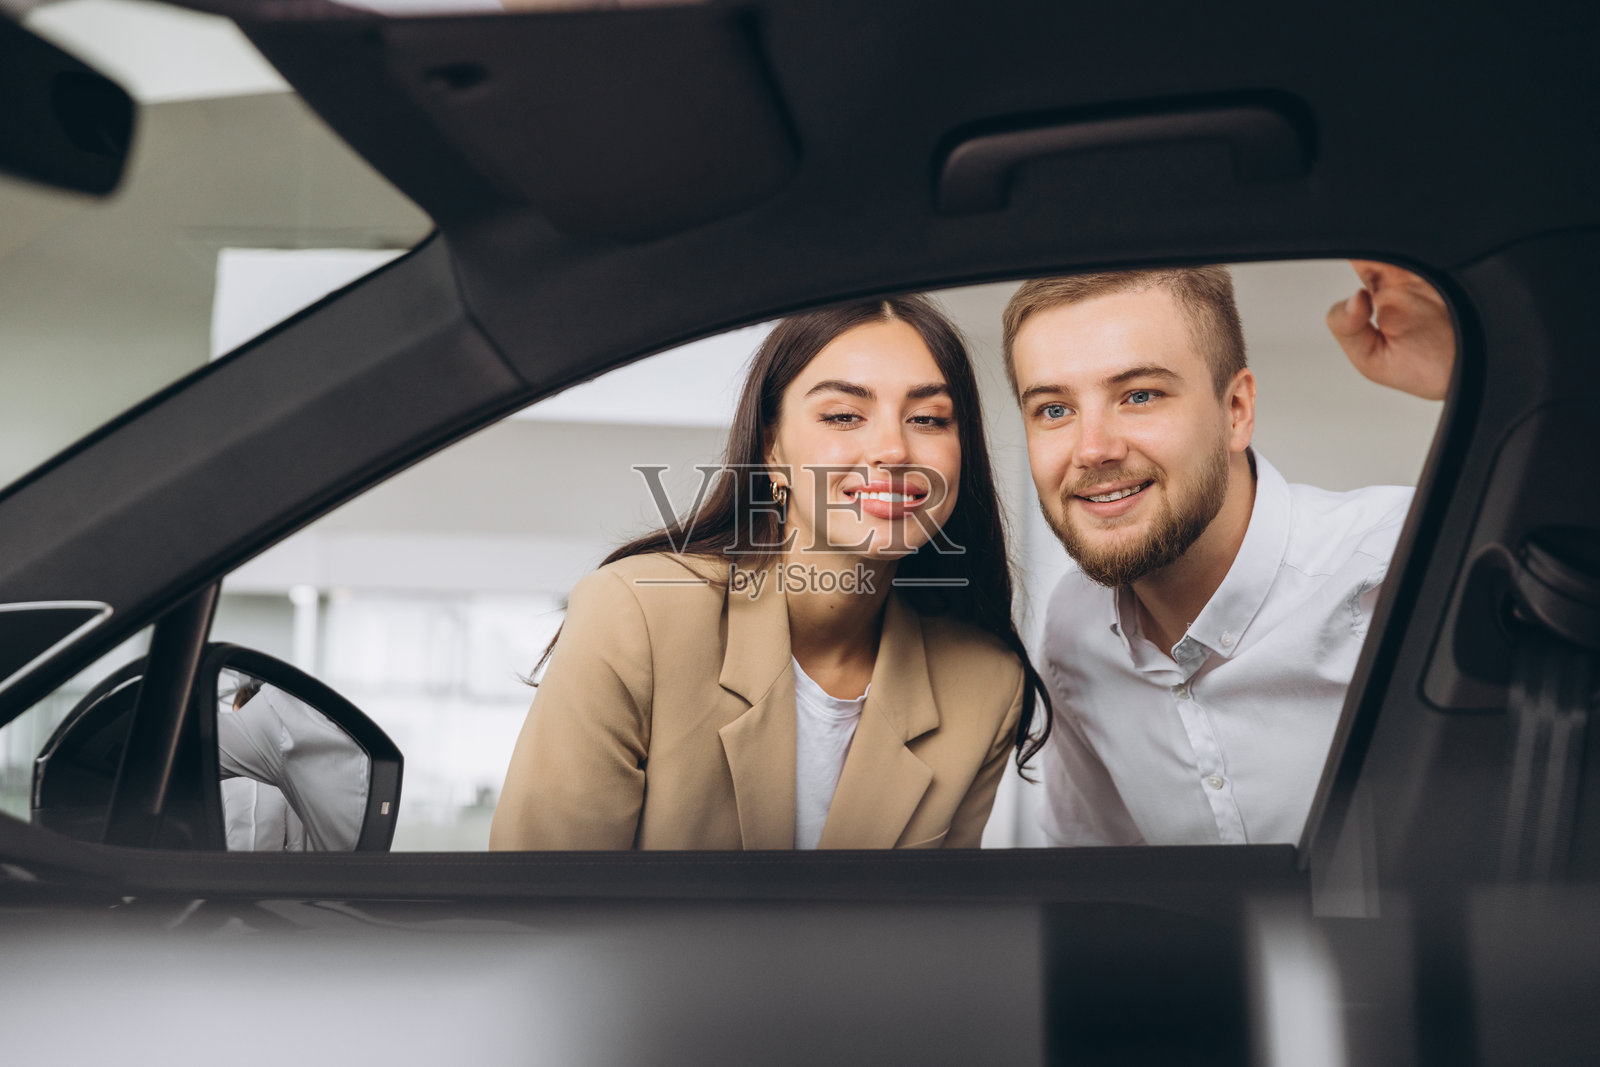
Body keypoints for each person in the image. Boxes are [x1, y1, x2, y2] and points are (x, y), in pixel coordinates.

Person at [490, 295, 1051, 850]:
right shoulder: (635, 614)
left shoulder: (985, 685)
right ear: (772, 448)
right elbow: (540, 912)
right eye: (843, 416)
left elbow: (932, 932)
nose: (893, 449)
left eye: (929, 418)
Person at [1002, 261, 1454, 846]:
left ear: (1236, 410)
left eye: (1139, 395)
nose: (1092, 450)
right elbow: (1100, 886)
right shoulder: (1072, 627)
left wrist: (1487, 374)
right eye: (1054, 410)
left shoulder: (1401, 559)